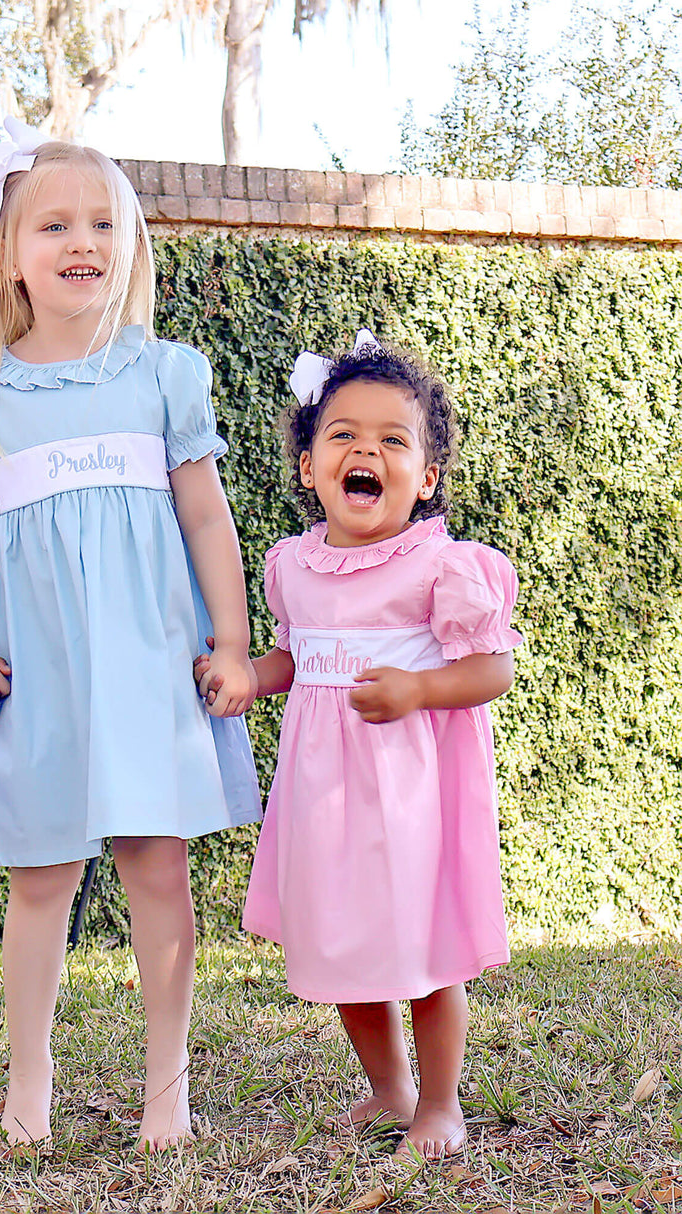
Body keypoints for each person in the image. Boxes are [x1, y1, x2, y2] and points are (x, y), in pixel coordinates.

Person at [0, 119, 261, 1151]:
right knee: (41, 878)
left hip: (149, 664)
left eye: (104, 221)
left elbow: (206, 517)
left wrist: (233, 641)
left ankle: (170, 1085)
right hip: (39, 674)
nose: (84, 240)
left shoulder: (162, 375)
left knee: (156, 864)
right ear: (7, 255)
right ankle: (30, 1077)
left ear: (131, 241)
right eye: (56, 223)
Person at [200, 331, 520, 1160]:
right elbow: (295, 658)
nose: (365, 451)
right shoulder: (293, 567)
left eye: (391, 440)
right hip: (323, 799)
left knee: (423, 950)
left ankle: (440, 1103)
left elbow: (492, 669)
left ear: (426, 476)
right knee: (340, 947)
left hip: (410, 796)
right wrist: (247, 678)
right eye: (342, 435)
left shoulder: (440, 567)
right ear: (309, 465)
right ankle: (389, 1087)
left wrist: (419, 687)